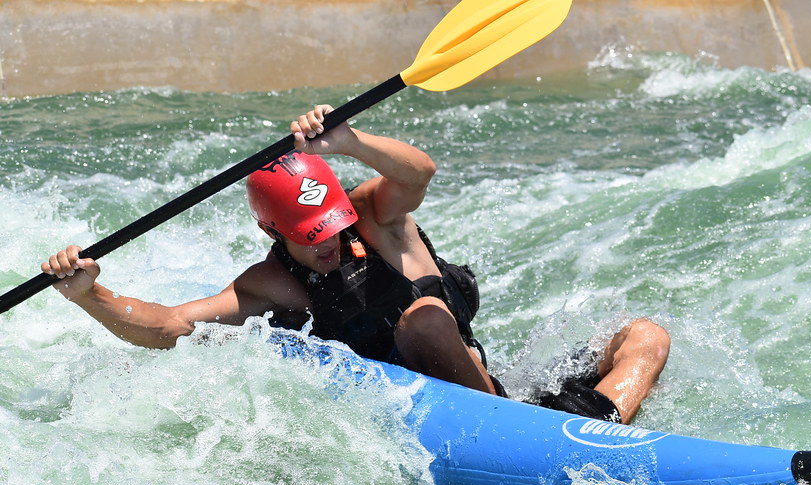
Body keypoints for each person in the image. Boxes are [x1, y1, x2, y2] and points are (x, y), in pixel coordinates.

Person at [42, 105, 670, 424]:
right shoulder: (274, 283)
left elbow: (418, 173)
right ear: (270, 231)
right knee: (424, 319)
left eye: (334, 227)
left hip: (497, 400)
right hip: (436, 418)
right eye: (310, 237)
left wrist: (349, 142)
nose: (330, 245)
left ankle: (591, 433)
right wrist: (91, 294)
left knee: (645, 337)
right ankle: (543, 436)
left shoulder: (375, 215)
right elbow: (172, 325)